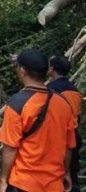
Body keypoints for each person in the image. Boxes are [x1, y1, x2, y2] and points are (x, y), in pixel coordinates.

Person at [0, 49, 76, 192]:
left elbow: (10, 147)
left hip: (24, 183)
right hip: (54, 184)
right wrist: (67, 173)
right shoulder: (63, 104)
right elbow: (68, 146)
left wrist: (2, 180)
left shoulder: (17, 103)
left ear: (22, 70)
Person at [48, 55, 83, 192]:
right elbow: (77, 116)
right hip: (74, 135)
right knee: (72, 177)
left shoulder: (50, 89)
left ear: (52, 69)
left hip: (58, 138)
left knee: (55, 176)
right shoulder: (74, 89)